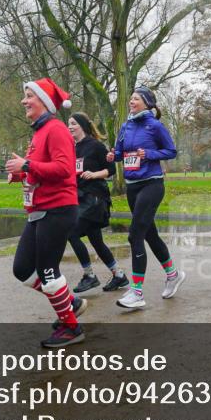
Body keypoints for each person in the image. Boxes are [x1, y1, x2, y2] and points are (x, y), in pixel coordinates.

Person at [5, 77, 85, 348]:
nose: (23, 100)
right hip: (40, 211)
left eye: (29, 95)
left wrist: (26, 164)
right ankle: (69, 302)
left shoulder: (56, 129)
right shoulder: (39, 132)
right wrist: (20, 173)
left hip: (58, 209)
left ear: (45, 102)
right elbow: (37, 169)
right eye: (24, 95)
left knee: (48, 269)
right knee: (23, 270)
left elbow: (64, 169)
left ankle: (71, 327)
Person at [106, 86, 182, 309]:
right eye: (130, 98)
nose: (131, 101)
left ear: (147, 103)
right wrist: (113, 155)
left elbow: (171, 151)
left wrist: (149, 154)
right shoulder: (126, 125)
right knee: (150, 235)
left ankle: (137, 292)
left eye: (136, 98)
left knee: (135, 234)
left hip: (152, 184)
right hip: (132, 186)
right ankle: (173, 274)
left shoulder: (155, 125)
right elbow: (120, 153)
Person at [67, 112, 128, 294]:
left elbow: (111, 170)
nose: (70, 127)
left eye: (73, 124)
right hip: (80, 198)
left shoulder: (95, 146)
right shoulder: (71, 148)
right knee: (96, 241)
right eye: (68, 124)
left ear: (83, 126)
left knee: (71, 232)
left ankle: (90, 276)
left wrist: (94, 175)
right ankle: (119, 275)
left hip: (95, 198)